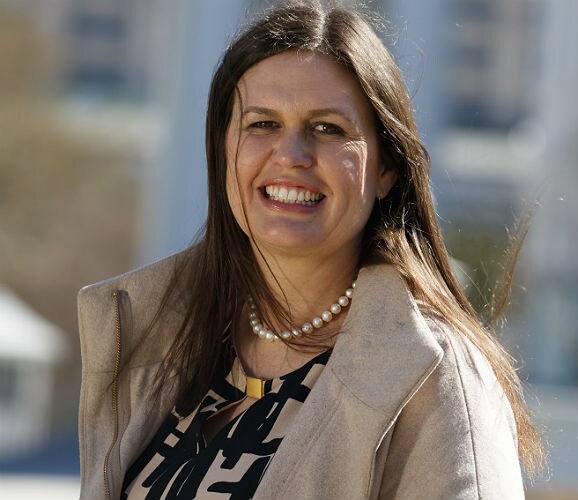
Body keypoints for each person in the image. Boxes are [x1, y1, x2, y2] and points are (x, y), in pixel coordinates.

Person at [77, 1, 544, 498]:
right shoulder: (160, 338)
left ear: (386, 169)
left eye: (328, 128)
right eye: (262, 124)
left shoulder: (436, 379)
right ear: (222, 152)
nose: (291, 155)